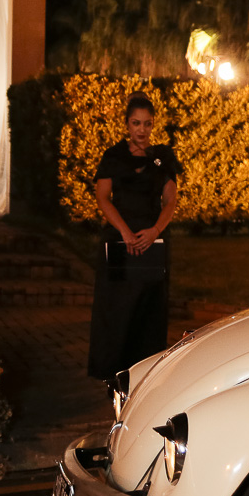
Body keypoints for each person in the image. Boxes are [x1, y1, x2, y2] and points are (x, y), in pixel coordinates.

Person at [87, 92, 182, 379]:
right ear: (127, 124)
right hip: (120, 239)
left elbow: (171, 201)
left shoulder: (163, 157)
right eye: (136, 123)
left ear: (154, 125)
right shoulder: (113, 156)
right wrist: (125, 233)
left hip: (152, 242)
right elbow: (103, 198)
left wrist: (155, 231)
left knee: (149, 311)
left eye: (147, 124)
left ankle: (145, 372)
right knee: (116, 310)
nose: (141, 130)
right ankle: (112, 372)